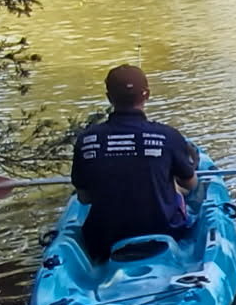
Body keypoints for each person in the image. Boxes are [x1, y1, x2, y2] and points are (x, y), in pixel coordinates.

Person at [71, 65, 199, 260]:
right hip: (165, 231)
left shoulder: (87, 139)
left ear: (109, 97)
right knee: (180, 193)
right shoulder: (168, 136)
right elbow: (190, 183)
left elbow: (84, 198)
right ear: (146, 94)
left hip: (104, 240)